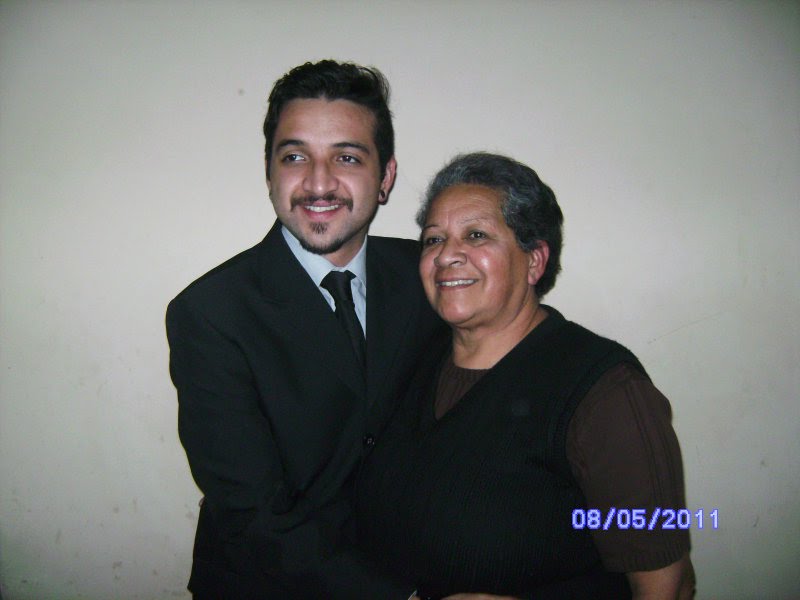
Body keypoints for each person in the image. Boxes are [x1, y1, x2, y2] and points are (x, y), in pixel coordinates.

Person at [356, 152, 696, 599]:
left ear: (535, 261)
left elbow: (668, 588)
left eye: (476, 235)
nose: (446, 255)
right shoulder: (413, 361)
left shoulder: (605, 393)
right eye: (433, 239)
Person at [166, 60, 442, 599]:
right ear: (269, 172)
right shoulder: (210, 314)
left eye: (347, 157)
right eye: (294, 157)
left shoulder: (427, 276)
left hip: (407, 564)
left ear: (385, 177)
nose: (318, 182)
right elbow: (253, 514)